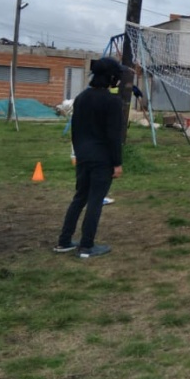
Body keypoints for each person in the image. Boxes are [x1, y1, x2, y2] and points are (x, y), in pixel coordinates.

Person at [53, 57, 124, 258]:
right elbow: (114, 136)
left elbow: (75, 130)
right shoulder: (112, 102)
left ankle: (64, 241)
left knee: (80, 198)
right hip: (102, 159)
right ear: (111, 78)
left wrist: (78, 153)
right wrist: (117, 163)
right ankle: (86, 246)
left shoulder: (82, 98)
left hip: (83, 156)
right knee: (95, 200)